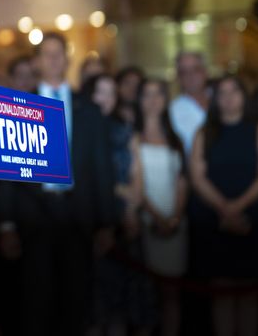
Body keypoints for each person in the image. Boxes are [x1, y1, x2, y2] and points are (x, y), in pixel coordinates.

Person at [0, 32, 116, 334]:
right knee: (36, 301)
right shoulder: (18, 105)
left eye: (58, 53)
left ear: (68, 58)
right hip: (34, 214)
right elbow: (8, 170)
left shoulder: (89, 110)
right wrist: (6, 223)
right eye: (46, 54)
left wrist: (107, 222)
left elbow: (102, 167)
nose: (53, 59)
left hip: (79, 214)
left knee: (76, 301)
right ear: (36, 61)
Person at [188, 75, 258, 336]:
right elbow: (197, 175)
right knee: (221, 291)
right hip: (214, 217)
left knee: (249, 292)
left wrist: (238, 207)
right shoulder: (205, 132)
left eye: (233, 91)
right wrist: (224, 208)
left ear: (243, 96)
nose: (228, 98)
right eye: (222, 93)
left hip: (252, 215)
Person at [87, 72, 154, 335]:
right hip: (91, 222)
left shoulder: (124, 129)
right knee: (94, 306)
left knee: (124, 307)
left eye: (112, 93)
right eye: (100, 92)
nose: (106, 98)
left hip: (126, 222)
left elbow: (138, 175)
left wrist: (130, 210)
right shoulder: (78, 129)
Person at [129, 78, 188, 336]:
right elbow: (135, 185)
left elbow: (182, 181)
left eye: (158, 94)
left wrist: (174, 217)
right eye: (147, 94)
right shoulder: (133, 137)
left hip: (176, 222)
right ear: (139, 100)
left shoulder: (175, 138)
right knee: (146, 292)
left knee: (172, 294)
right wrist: (156, 218)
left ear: (165, 100)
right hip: (145, 222)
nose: (153, 100)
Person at [169, 51, 210, 155]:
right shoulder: (171, 111)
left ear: (205, 72)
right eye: (184, 72)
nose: (190, 76)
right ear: (178, 78)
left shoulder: (222, 99)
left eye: (195, 69)